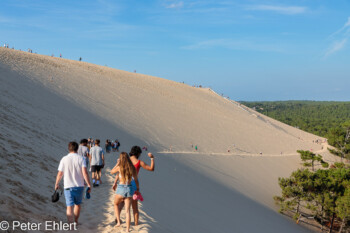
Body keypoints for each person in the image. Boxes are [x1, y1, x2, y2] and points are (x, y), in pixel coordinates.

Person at [111, 146, 155, 226]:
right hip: (134, 184)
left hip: (123, 182)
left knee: (121, 203)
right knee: (134, 207)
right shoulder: (139, 162)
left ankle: (118, 220)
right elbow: (151, 169)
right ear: (138, 153)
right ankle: (136, 224)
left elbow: (118, 172)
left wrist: (115, 182)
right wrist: (152, 158)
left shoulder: (125, 161)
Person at [55, 142, 91, 224]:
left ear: (69, 148)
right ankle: (76, 221)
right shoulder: (81, 158)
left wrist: (56, 183)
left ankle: (70, 225)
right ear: (77, 149)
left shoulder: (64, 159)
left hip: (68, 186)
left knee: (69, 206)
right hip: (79, 186)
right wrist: (89, 184)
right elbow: (85, 173)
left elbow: (60, 174)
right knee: (77, 205)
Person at [112, 152, 140, 232]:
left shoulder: (120, 167)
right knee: (127, 211)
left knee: (116, 204)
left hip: (121, 188)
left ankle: (118, 222)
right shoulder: (132, 168)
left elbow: (111, 171)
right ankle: (127, 229)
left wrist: (117, 163)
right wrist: (137, 189)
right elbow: (136, 180)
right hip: (129, 188)